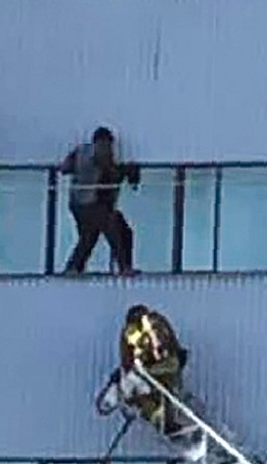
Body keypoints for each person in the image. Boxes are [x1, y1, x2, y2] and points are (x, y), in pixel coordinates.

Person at [59, 126, 141, 275]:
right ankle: (124, 267)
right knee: (113, 227)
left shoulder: (81, 151)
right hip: (88, 203)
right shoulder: (93, 155)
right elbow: (109, 170)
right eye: (105, 145)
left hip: (84, 203)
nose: (107, 149)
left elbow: (65, 168)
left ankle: (73, 268)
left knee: (90, 236)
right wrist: (127, 171)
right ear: (97, 143)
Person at [116, 304, 191, 437]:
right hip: (146, 371)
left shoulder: (156, 325)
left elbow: (168, 350)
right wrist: (132, 368)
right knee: (139, 395)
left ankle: (169, 419)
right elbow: (127, 357)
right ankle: (160, 419)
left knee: (168, 388)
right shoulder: (129, 333)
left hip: (164, 366)